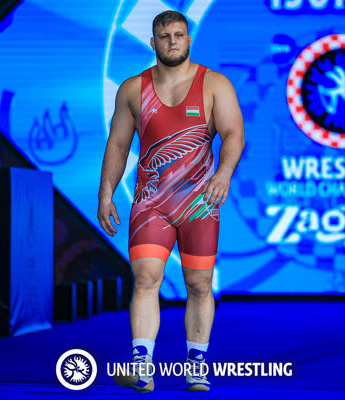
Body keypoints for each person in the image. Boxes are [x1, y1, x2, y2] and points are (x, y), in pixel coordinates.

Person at [98, 10, 244, 393]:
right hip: (151, 204)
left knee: (199, 284)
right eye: (164, 36)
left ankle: (196, 366)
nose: (172, 42)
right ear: (153, 42)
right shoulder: (133, 88)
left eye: (179, 35)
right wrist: (106, 193)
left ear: (189, 39)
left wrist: (223, 174)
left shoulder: (215, 84)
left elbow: (233, 134)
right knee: (146, 278)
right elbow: (118, 144)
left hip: (199, 203)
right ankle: (141, 366)